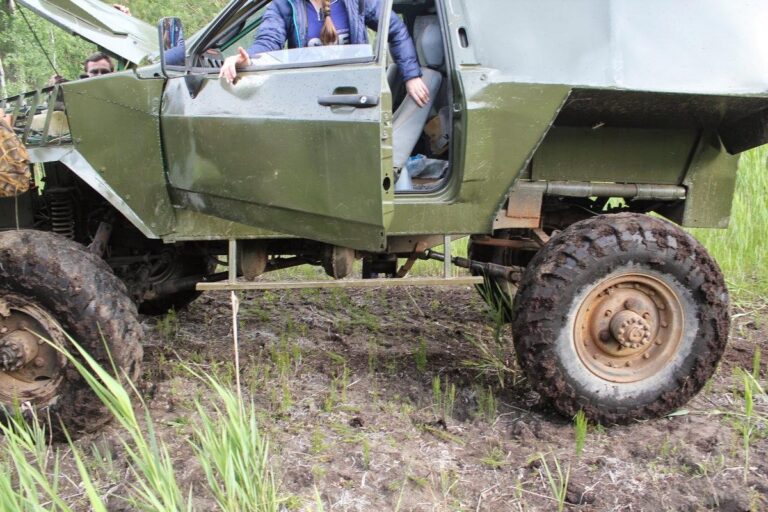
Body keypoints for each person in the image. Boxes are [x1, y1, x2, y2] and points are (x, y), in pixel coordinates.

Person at [219, 0, 431, 107]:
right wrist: (247, 58)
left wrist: (411, 75)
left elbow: (395, 29)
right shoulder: (285, 4)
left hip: (356, 94)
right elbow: (268, 40)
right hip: (311, 99)